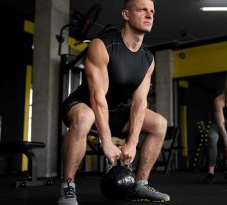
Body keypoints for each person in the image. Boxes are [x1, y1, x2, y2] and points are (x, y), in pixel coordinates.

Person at [58, 0, 170, 204]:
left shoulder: (148, 58)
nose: (150, 15)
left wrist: (132, 143)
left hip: (114, 111)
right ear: (126, 14)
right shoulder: (102, 45)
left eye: (152, 11)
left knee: (159, 124)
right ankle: (68, 187)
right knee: (85, 116)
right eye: (143, 9)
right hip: (82, 105)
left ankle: (140, 185)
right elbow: (97, 97)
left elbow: (139, 102)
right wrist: (107, 141)